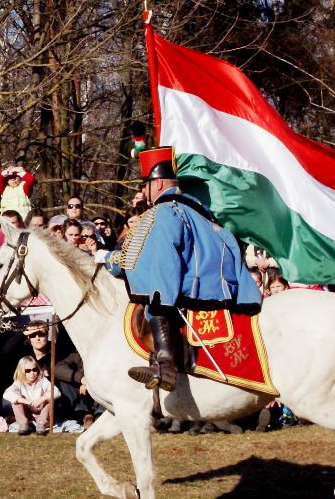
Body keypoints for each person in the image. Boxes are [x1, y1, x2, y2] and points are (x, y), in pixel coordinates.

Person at [96, 147, 262, 391]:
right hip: (226, 292)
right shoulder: (205, 216)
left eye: (145, 184)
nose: (143, 191)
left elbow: (140, 258)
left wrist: (107, 258)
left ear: (159, 183)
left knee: (157, 298)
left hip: (191, 293)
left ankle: (165, 364)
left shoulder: (162, 213)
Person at [3, 355, 59, 435]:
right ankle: (23, 424)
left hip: (42, 413)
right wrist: (26, 401)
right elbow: (7, 393)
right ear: (22, 371)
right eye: (28, 371)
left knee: (49, 398)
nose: (32, 373)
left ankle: (41, 424)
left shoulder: (43, 381)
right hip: (27, 413)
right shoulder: (19, 382)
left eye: (34, 370)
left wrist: (42, 399)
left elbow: (56, 391)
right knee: (15, 400)